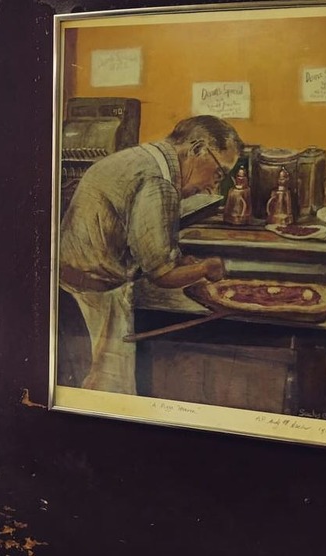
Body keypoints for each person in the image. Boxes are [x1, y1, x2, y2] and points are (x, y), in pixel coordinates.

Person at [59, 115, 243, 395]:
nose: (213, 187)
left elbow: (137, 239)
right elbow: (162, 274)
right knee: (109, 393)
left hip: (71, 290)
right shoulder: (159, 182)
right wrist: (207, 267)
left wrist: (179, 261)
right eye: (219, 173)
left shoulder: (140, 158)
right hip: (94, 299)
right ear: (197, 149)